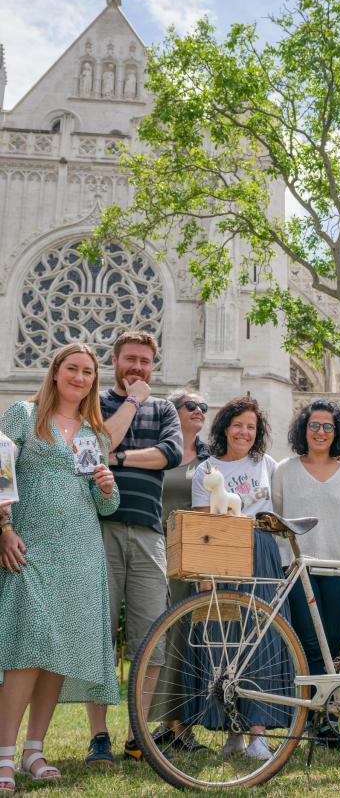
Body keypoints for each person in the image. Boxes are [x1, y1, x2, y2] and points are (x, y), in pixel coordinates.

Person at [0, 344, 119, 793]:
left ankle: (35, 750)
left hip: (81, 551)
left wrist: (107, 486)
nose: (80, 377)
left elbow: (105, 507)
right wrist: (3, 528)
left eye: (88, 371)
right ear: (55, 372)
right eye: (72, 368)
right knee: (27, 648)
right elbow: (0, 472)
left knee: (55, 654)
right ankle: (3, 756)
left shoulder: (95, 434)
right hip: (29, 547)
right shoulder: (22, 414)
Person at [85, 331, 183, 764]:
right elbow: (98, 445)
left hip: (148, 533)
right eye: (130, 360)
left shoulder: (165, 408)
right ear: (115, 361)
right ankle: (99, 735)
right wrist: (129, 405)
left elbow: (170, 453)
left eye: (145, 361)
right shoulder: (96, 401)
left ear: (153, 365)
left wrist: (121, 458)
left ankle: (138, 733)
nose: (137, 368)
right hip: (99, 528)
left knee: (152, 639)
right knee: (97, 634)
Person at [189, 396, 285, 762]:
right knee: (226, 642)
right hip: (221, 553)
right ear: (225, 427)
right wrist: (205, 575)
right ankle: (232, 731)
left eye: (252, 427)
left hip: (261, 550)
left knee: (262, 638)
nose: (244, 432)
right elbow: (201, 524)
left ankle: (258, 733)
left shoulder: (268, 464)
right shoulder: (206, 470)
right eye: (238, 425)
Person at [272, 399, 340, 742]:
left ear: (337, 432)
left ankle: (324, 715)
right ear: (304, 429)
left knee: (333, 645)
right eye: (314, 425)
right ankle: (319, 721)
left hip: (339, 567)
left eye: (328, 426)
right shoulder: (285, 470)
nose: (320, 432)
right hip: (299, 568)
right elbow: (275, 518)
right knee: (309, 646)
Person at [150, 389, 210, 754]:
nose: (198, 411)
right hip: (156, 553)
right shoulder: (158, 454)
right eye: (190, 405)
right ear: (173, 412)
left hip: (193, 560)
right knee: (158, 640)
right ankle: (154, 723)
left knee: (186, 642)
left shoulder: (208, 459)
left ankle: (180, 725)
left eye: (203, 407)